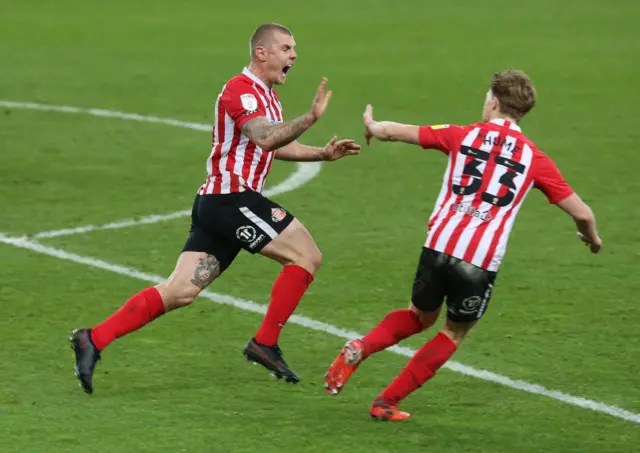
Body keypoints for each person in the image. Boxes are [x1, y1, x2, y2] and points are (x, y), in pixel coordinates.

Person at [70, 22, 361, 394]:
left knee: (179, 291)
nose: (293, 55)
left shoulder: (266, 97)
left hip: (219, 204)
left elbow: (271, 145)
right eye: (286, 48)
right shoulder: (239, 90)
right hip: (231, 199)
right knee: (306, 256)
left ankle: (92, 339)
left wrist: (321, 152)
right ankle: (264, 343)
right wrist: (309, 119)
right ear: (262, 52)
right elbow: (266, 138)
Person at [324, 70, 601, 421]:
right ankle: (386, 402)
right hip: (479, 261)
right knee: (453, 332)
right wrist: (591, 239)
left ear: (494, 102)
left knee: (418, 316)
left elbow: (398, 132)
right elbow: (582, 213)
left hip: (438, 245)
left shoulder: (464, 134)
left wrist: (373, 125)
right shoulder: (535, 159)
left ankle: (361, 346)